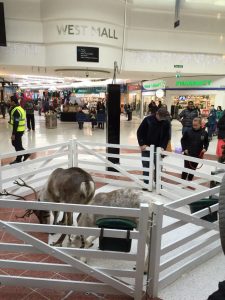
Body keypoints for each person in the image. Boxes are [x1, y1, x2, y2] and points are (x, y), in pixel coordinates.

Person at [137, 107, 170, 185]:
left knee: (158, 166)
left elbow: (166, 136)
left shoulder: (166, 122)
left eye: (164, 118)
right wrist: (142, 144)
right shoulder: (147, 120)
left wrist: (163, 147)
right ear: (157, 114)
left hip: (159, 148)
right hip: (147, 147)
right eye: (161, 117)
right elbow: (140, 132)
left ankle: (158, 183)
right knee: (146, 165)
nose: (162, 119)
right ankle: (146, 183)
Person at [8, 95, 30, 164]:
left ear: (13, 102)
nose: (9, 102)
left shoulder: (16, 110)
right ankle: (20, 158)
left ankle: (24, 155)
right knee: (18, 144)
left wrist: (14, 133)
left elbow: (16, 122)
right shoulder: (19, 108)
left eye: (10, 101)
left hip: (17, 130)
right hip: (20, 129)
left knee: (15, 143)